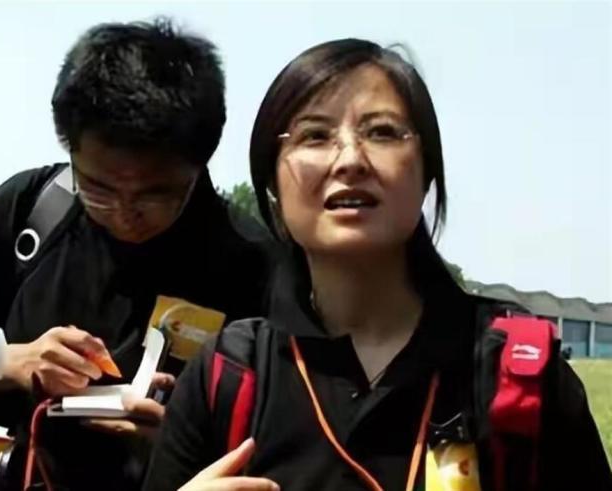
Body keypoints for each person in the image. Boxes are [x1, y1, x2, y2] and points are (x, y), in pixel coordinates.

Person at [145, 39, 612, 491]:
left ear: (426, 172)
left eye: (383, 132)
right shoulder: (227, 374)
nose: (350, 160)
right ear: (272, 185)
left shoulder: (516, 374)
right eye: (314, 136)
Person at [0, 18, 270, 491]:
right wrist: (10, 361)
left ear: (200, 162)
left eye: (155, 194)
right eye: (99, 189)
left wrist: (181, 436)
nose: (126, 214)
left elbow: (279, 436)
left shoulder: (251, 263)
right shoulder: (28, 213)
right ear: (70, 148)